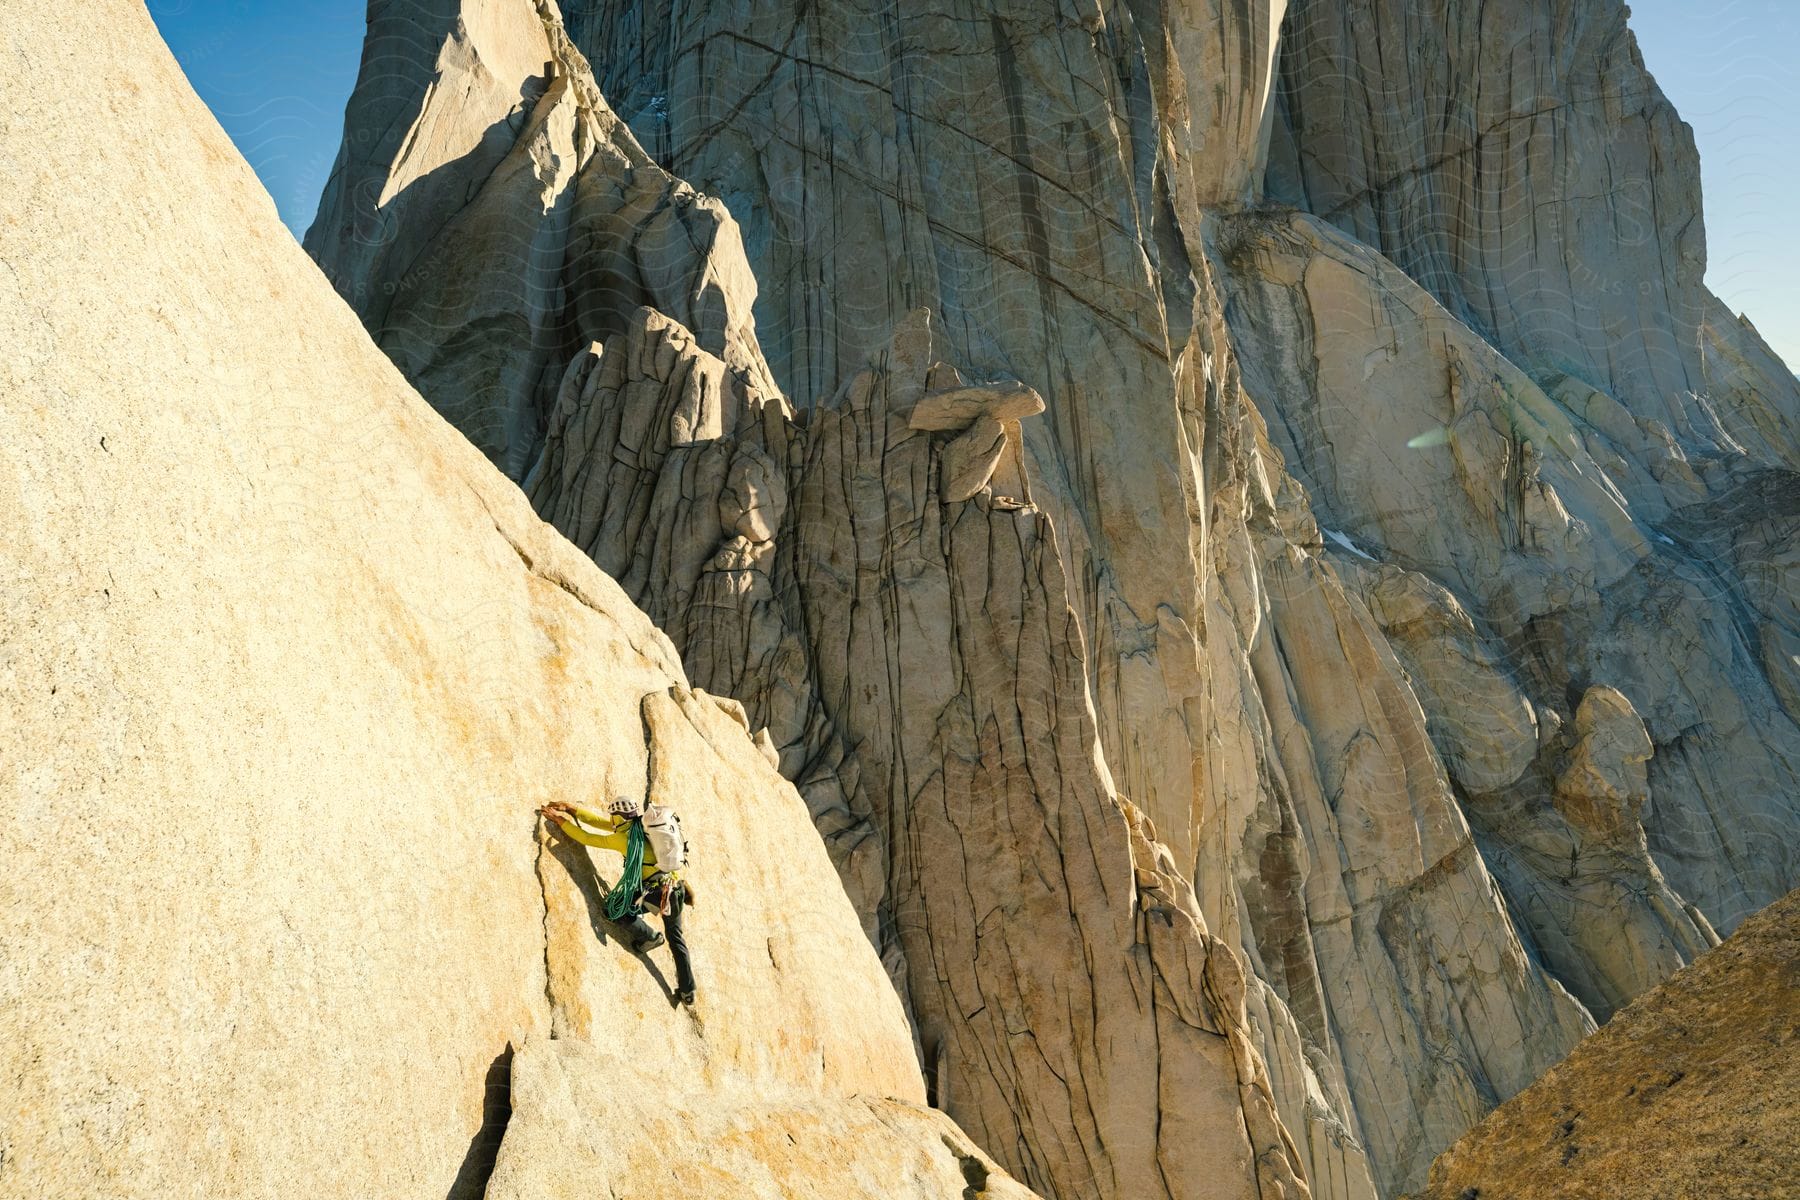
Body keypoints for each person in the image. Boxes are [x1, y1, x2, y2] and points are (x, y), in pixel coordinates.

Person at [538, 797, 696, 1007]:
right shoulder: (639, 825)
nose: (611, 820)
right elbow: (602, 823)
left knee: (616, 910)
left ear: (619, 817)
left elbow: (587, 838)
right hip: (674, 888)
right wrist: (571, 809)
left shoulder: (623, 839)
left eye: (613, 816)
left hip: (657, 894)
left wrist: (560, 822)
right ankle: (688, 992)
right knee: (677, 940)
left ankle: (650, 937)